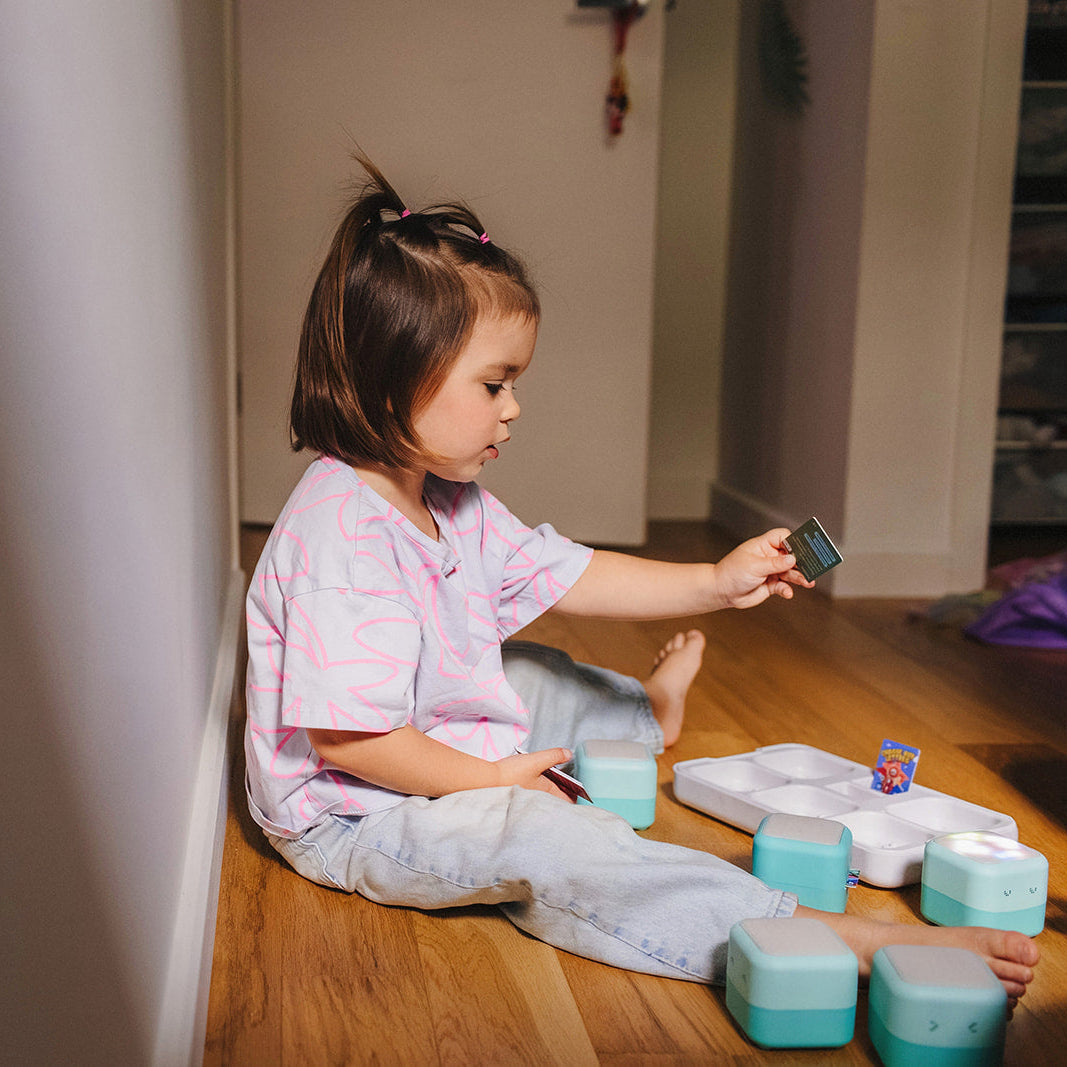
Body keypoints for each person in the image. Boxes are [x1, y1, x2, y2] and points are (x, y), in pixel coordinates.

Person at [244, 156, 1038, 1008]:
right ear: (391, 379)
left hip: (420, 735)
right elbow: (352, 742)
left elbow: (575, 573)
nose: (513, 407)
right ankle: (809, 933)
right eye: (494, 384)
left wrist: (717, 578)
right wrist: (494, 781)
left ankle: (644, 716)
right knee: (547, 834)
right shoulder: (341, 540)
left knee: (528, 671)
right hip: (357, 814)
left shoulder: (447, 499)